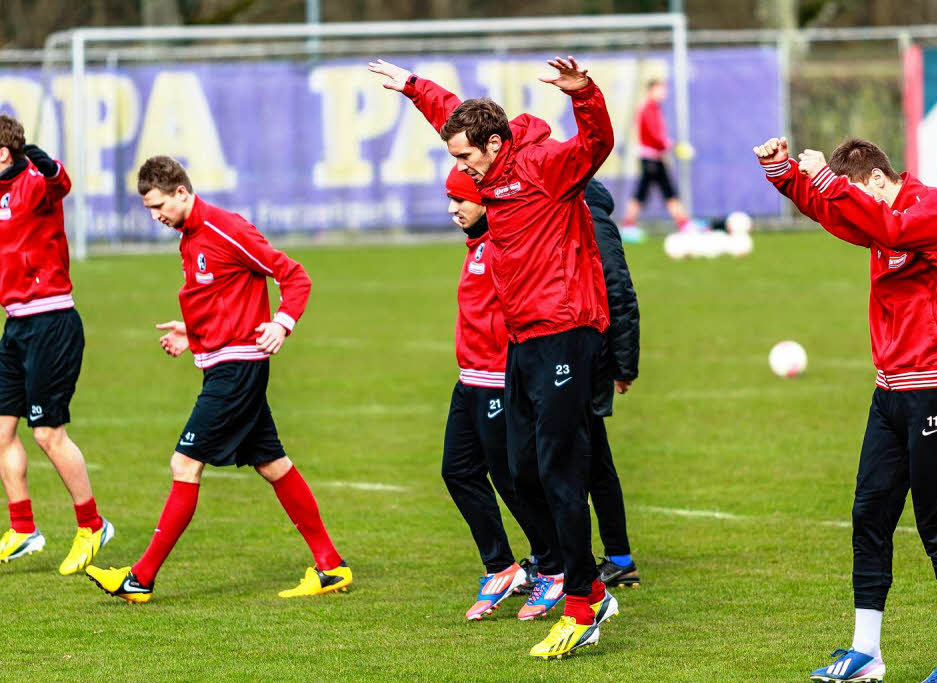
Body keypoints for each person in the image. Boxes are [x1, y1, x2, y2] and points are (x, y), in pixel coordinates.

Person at [370, 55, 617, 659]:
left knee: (558, 468)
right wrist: (412, 87)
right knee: (520, 466)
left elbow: (597, 142)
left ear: (497, 143)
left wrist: (583, 92)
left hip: (566, 327)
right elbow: (451, 117)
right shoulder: (487, 163)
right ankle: (573, 577)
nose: (460, 171)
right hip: (523, 336)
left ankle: (585, 600)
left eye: (465, 158)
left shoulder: (547, 166)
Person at [754, 137, 937, 683]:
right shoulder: (873, 209)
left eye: (859, 192)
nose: (856, 205)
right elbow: (834, 211)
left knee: (936, 521)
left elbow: (892, 230)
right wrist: (784, 172)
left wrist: (831, 184)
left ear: (879, 180)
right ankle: (866, 652)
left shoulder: (933, 208)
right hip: (891, 391)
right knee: (869, 514)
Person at [85, 156, 350, 603]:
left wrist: (282, 322)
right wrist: (191, 334)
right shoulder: (188, 237)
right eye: (150, 210)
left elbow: (293, 274)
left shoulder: (225, 228)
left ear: (182, 193)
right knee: (273, 464)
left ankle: (140, 579)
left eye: (159, 207)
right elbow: (222, 296)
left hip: (237, 370)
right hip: (224, 363)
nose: (156, 217)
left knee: (184, 464)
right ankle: (331, 566)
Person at [439, 165, 556, 621]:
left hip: (498, 379)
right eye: (450, 200)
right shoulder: (476, 246)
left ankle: (554, 567)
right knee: (457, 471)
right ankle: (501, 566)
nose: (453, 209)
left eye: (461, 200)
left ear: (486, 198)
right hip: (469, 378)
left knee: (513, 478)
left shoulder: (507, 243)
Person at [0, 114, 114, 575]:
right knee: (2, 431)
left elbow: (59, 180)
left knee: (47, 433)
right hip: (15, 326)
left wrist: (39, 159)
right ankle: (25, 529)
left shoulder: (36, 182)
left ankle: (92, 525)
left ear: (4, 153)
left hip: (52, 321)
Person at [583, 180, 641, 588]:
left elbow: (619, 291)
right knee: (589, 455)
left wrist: (623, 365)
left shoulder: (592, 220)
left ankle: (617, 557)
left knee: (587, 456)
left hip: (589, 354)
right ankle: (618, 557)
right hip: (565, 352)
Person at [621, 79, 689, 239]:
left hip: (656, 158)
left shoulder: (655, 109)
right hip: (651, 158)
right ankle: (684, 224)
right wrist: (671, 145)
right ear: (650, 91)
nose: (663, 93)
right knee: (650, 192)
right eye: (660, 90)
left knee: (661, 192)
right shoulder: (647, 109)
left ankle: (684, 223)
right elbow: (655, 135)